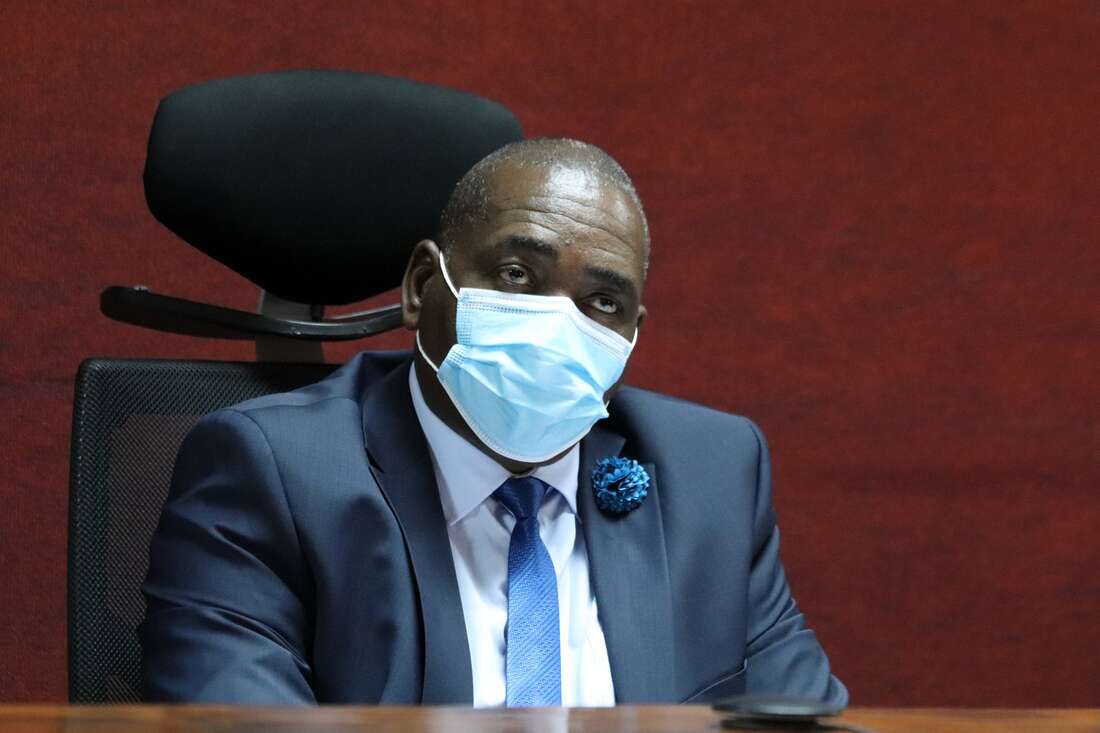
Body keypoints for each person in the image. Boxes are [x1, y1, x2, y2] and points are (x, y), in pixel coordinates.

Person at [140, 138, 847, 707]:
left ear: (633, 333)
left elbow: (799, 716)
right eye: (516, 275)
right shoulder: (274, 471)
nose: (557, 324)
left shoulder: (712, 473)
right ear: (423, 286)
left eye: (602, 303)